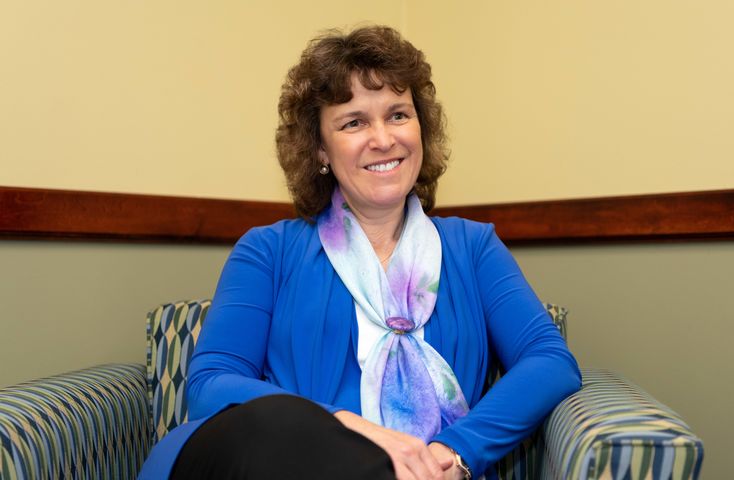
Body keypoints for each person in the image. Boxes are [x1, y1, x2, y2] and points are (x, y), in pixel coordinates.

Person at [139, 25, 581, 480]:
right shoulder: (268, 251)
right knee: (278, 423)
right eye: (353, 122)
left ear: (421, 128)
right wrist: (341, 424)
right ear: (319, 150)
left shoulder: (474, 247)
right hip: (281, 463)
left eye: (397, 115)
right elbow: (212, 383)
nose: (383, 139)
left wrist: (453, 453)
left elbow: (550, 361)